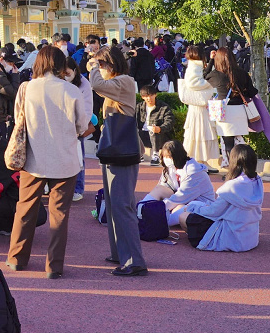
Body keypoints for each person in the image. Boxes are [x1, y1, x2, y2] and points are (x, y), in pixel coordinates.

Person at [9, 46, 93, 278]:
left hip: (33, 158)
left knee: (25, 208)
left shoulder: (26, 88)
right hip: (65, 159)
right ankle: (53, 266)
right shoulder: (71, 91)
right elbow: (81, 126)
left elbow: (18, 119)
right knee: (59, 214)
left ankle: (16, 258)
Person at [89, 45, 147, 277]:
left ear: (112, 64)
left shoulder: (123, 81)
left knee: (122, 204)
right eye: (98, 64)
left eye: (102, 64)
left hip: (122, 151)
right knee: (114, 203)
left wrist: (91, 65)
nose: (99, 68)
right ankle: (120, 253)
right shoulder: (118, 83)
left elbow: (96, 85)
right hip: (115, 151)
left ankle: (134, 260)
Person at [180, 144, 265, 253]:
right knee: (199, 208)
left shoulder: (232, 186)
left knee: (183, 216)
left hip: (230, 236)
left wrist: (192, 208)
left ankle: (195, 235)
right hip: (250, 237)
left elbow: (213, 212)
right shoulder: (257, 181)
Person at [205, 47, 258, 167]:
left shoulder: (216, 75)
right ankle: (243, 167)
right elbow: (252, 92)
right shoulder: (242, 73)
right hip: (240, 111)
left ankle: (233, 169)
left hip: (224, 112)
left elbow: (204, 77)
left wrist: (211, 61)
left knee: (228, 144)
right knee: (239, 143)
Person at [143, 140, 216, 226]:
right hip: (181, 199)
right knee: (159, 189)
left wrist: (157, 208)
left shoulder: (193, 172)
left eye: (169, 156)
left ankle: (158, 221)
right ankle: (141, 208)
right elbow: (164, 186)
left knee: (176, 211)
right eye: (164, 156)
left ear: (177, 155)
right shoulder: (170, 168)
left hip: (199, 202)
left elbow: (181, 196)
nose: (166, 159)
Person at [177, 44, 219, 170]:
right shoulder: (194, 67)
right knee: (200, 133)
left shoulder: (194, 66)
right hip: (198, 108)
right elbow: (197, 82)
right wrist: (210, 84)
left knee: (200, 133)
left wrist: (211, 62)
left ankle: (201, 160)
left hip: (198, 107)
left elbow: (204, 75)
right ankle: (200, 161)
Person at [135, 83, 174, 165]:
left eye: (151, 95)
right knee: (134, 130)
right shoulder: (138, 107)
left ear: (155, 95)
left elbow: (169, 121)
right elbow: (132, 120)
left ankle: (155, 155)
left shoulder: (163, 107)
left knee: (154, 130)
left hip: (159, 136)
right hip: (143, 135)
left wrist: (160, 128)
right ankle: (139, 154)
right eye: (146, 96)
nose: (149, 98)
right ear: (142, 97)